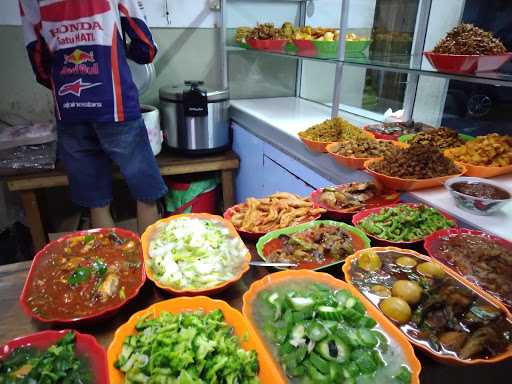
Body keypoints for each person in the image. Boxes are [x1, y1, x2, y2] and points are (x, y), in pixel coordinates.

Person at [19, 0, 167, 232]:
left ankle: (107, 267)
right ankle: (150, 265)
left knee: (97, 203)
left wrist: (65, 84)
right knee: (145, 193)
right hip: (114, 103)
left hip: (70, 108)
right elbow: (146, 48)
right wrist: (122, 51)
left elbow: (37, 59)